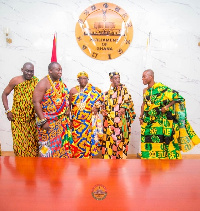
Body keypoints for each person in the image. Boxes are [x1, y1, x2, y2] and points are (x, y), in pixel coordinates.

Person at [140, 69, 200, 159]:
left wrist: (167, 107)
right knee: (147, 144)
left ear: (150, 77)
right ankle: (149, 164)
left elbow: (177, 97)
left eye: (144, 76)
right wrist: (141, 116)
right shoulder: (145, 91)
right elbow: (143, 104)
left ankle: (162, 165)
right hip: (148, 121)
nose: (142, 78)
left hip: (159, 122)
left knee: (161, 143)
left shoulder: (161, 88)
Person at [32, 62, 75, 158]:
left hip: (61, 123)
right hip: (48, 123)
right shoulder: (43, 83)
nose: (60, 72)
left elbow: (65, 98)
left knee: (60, 149)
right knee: (47, 149)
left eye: (61, 70)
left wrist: (67, 109)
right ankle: (47, 170)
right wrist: (43, 121)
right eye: (58, 70)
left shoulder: (60, 83)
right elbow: (36, 102)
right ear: (50, 71)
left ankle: (58, 170)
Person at [2, 62, 39, 157]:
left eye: (32, 71)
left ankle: (31, 169)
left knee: (33, 147)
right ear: (22, 69)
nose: (29, 74)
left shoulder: (36, 81)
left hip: (31, 120)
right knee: (20, 146)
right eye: (27, 71)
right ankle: (20, 168)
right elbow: (4, 94)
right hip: (17, 119)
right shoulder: (15, 80)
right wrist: (7, 111)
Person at [101, 72, 136, 159]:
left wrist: (124, 108)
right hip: (109, 122)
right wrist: (103, 110)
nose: (118, 80)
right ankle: (109, 162)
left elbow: (129, 102)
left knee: (122, 141)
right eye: (115, 78)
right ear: (111, 80)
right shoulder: (106, 94)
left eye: (119, 78)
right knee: (109, 142)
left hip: (122, 121)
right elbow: (101, 104)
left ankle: (121, 161)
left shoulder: (124, 90)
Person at [69, 71, 104, 158]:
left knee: (87, 140)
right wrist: (69, 119)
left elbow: (101, 98)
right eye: (81, 78)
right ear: (78, 80)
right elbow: (69, 104)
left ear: (88, 80)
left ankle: (87, 158)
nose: (83, 80)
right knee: (76, 140)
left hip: (88, 122)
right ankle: (78, 159)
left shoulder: (93, 90)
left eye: (85, 78)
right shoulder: (73, 90)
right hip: (76, 122)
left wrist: (97, 106)